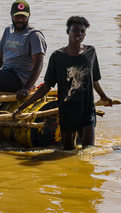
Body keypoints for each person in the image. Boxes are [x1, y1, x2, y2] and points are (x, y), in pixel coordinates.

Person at [13, 16, 112, 150]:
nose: (79, 34)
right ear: (68, 31)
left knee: (89, 151)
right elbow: (46, 87)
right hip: (67, 112)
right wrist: (22, 106)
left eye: (82, 31)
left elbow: (94, 80)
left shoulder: (91, 52)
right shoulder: (57, 57)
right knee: (68, 152)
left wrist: (103, 96)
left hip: (87, 110)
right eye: (75, 30)